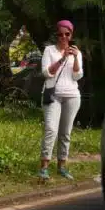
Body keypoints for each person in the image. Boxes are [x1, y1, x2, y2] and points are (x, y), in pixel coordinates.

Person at [39, 20, 83, 181]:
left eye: (67, 34)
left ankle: (62, 166)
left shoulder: (76, 52)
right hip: (53, 95)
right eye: (60, 34)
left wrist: (76, 57)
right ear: (56, 35)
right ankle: (44, 167)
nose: (63, 37)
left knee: (66, 132)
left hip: (72, 95)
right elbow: (46, 73)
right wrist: (62, 59)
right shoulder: (49, 50)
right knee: (51, 129)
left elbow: (77, 75)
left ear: (71, 35)